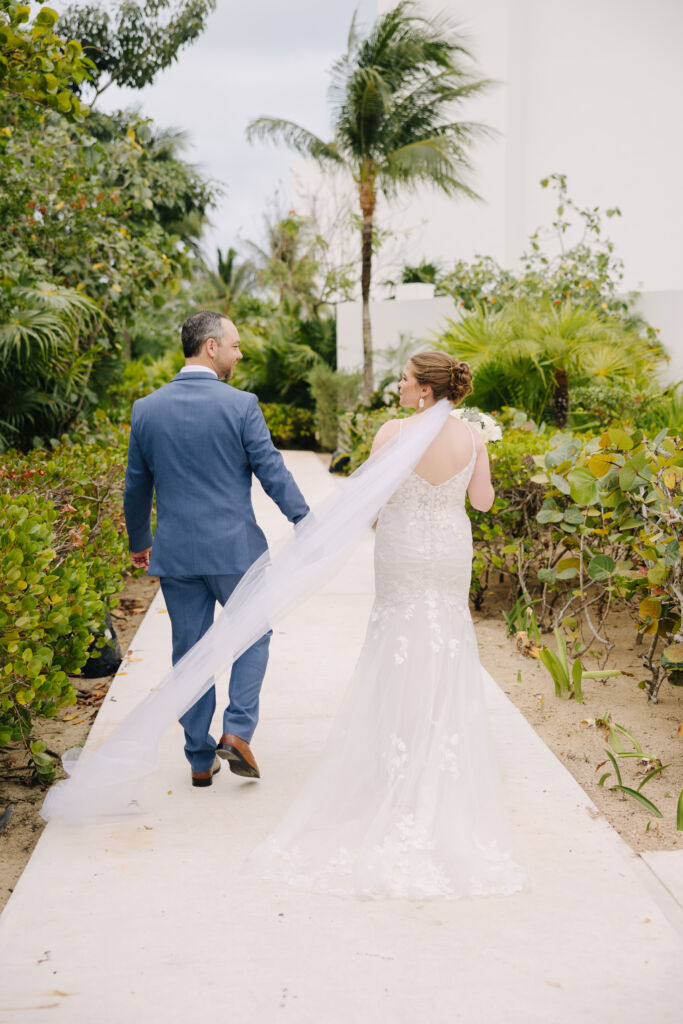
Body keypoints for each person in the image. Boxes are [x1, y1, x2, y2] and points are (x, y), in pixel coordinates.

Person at [248, 351, 527, 900]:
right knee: (445, 640)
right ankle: (436, 755)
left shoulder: (393, 433)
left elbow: (368, 505)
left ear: (424, 390)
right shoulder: (472, 437)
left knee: (396, 640)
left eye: (405, 379)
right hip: (449, 549)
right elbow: (484, 501)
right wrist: (468, 470)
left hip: (400, 551)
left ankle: (393, 760)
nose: (398, 385)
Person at [123, 310, 309, 788]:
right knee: (254, 635)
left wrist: (139, 543)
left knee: (190, 654)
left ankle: (199, 760)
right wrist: (304, 520)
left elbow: (136, 487)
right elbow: (271, 470)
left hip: (178, 554)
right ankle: (238, 732)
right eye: (234, 345)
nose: (238, 354)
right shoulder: (241, 404)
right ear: (211, 347)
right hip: (234, 552)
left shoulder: (146, 409)